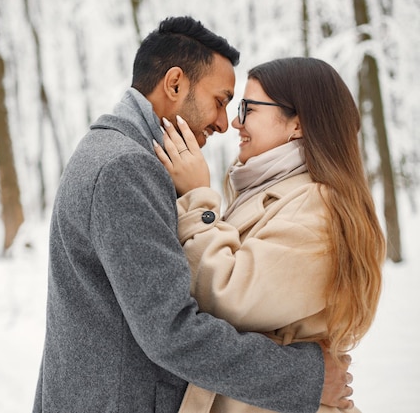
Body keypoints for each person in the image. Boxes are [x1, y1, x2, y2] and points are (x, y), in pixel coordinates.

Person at [33, 17, 353, 413]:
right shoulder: (127, 167)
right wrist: (307, 377)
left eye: (240, 108)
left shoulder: (112, 152)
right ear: (174, 84)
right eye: (221, 100)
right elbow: (172, 333)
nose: (224, 123)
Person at [154, 57, 385, 413]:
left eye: (248, 108)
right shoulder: (272, 193)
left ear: (298, 124)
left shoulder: (319, 209)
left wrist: (197, 196)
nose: (234, 122)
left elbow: (230, 297)